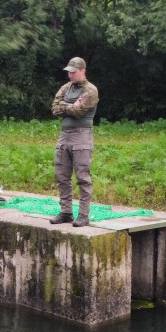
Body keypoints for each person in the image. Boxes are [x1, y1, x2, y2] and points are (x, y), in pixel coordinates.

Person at [48, 57, 100, 228]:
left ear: (82, 71)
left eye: (73, 72)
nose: (70, 75)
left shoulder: (90, 90)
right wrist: (70, 105)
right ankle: (66, 212)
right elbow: (54, 109)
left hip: (82, 135)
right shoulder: (66, 87)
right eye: (68, 72)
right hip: (64, 135)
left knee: (82, 177)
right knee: (62, 175)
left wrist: (65, 106)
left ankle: (83, 215)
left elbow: (78, 112)